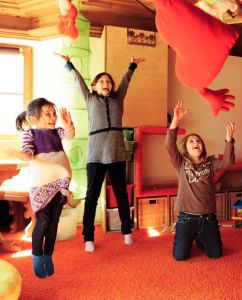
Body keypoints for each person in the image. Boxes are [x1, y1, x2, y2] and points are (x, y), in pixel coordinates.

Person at [58, 53, 145, 252]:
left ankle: (126, 230)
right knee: (92, 196)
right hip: (95, 155)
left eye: (109, 81)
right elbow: (79, 81)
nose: (106, 83)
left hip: (116, 153)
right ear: (95, 86)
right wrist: (69, 64)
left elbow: (125, 82)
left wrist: (132, 65)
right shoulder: (90, 99)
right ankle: (88, 236)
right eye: (102, 81)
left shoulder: (118, 99)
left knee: (122, 195)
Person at [5, 98, 75, 278]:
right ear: (35, 118)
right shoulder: (30, 134)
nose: (53, 117)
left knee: (54, 223)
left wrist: (68, 124)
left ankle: (48, 255)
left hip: (61, 185)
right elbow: (28, 155)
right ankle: (37, 256)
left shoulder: (57, 132)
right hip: (41, 185)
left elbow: (70, 135)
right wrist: (15, 154)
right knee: (43, 222)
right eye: (47, 114)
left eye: (54, 113)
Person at [165, 99, 236, 261]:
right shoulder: (180, 162)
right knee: (180, 257)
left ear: (202, 147)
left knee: (216, 254)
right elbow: (169, 145)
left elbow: (228, 162)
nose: (196, 142)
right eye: (191, 141)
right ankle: (191, 237)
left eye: (198, 141)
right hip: (186, 219)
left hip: (208, 219)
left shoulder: (210, 163)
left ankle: (200, 238)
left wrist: (229, 140)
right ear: (186, 148)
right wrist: (176, 120)